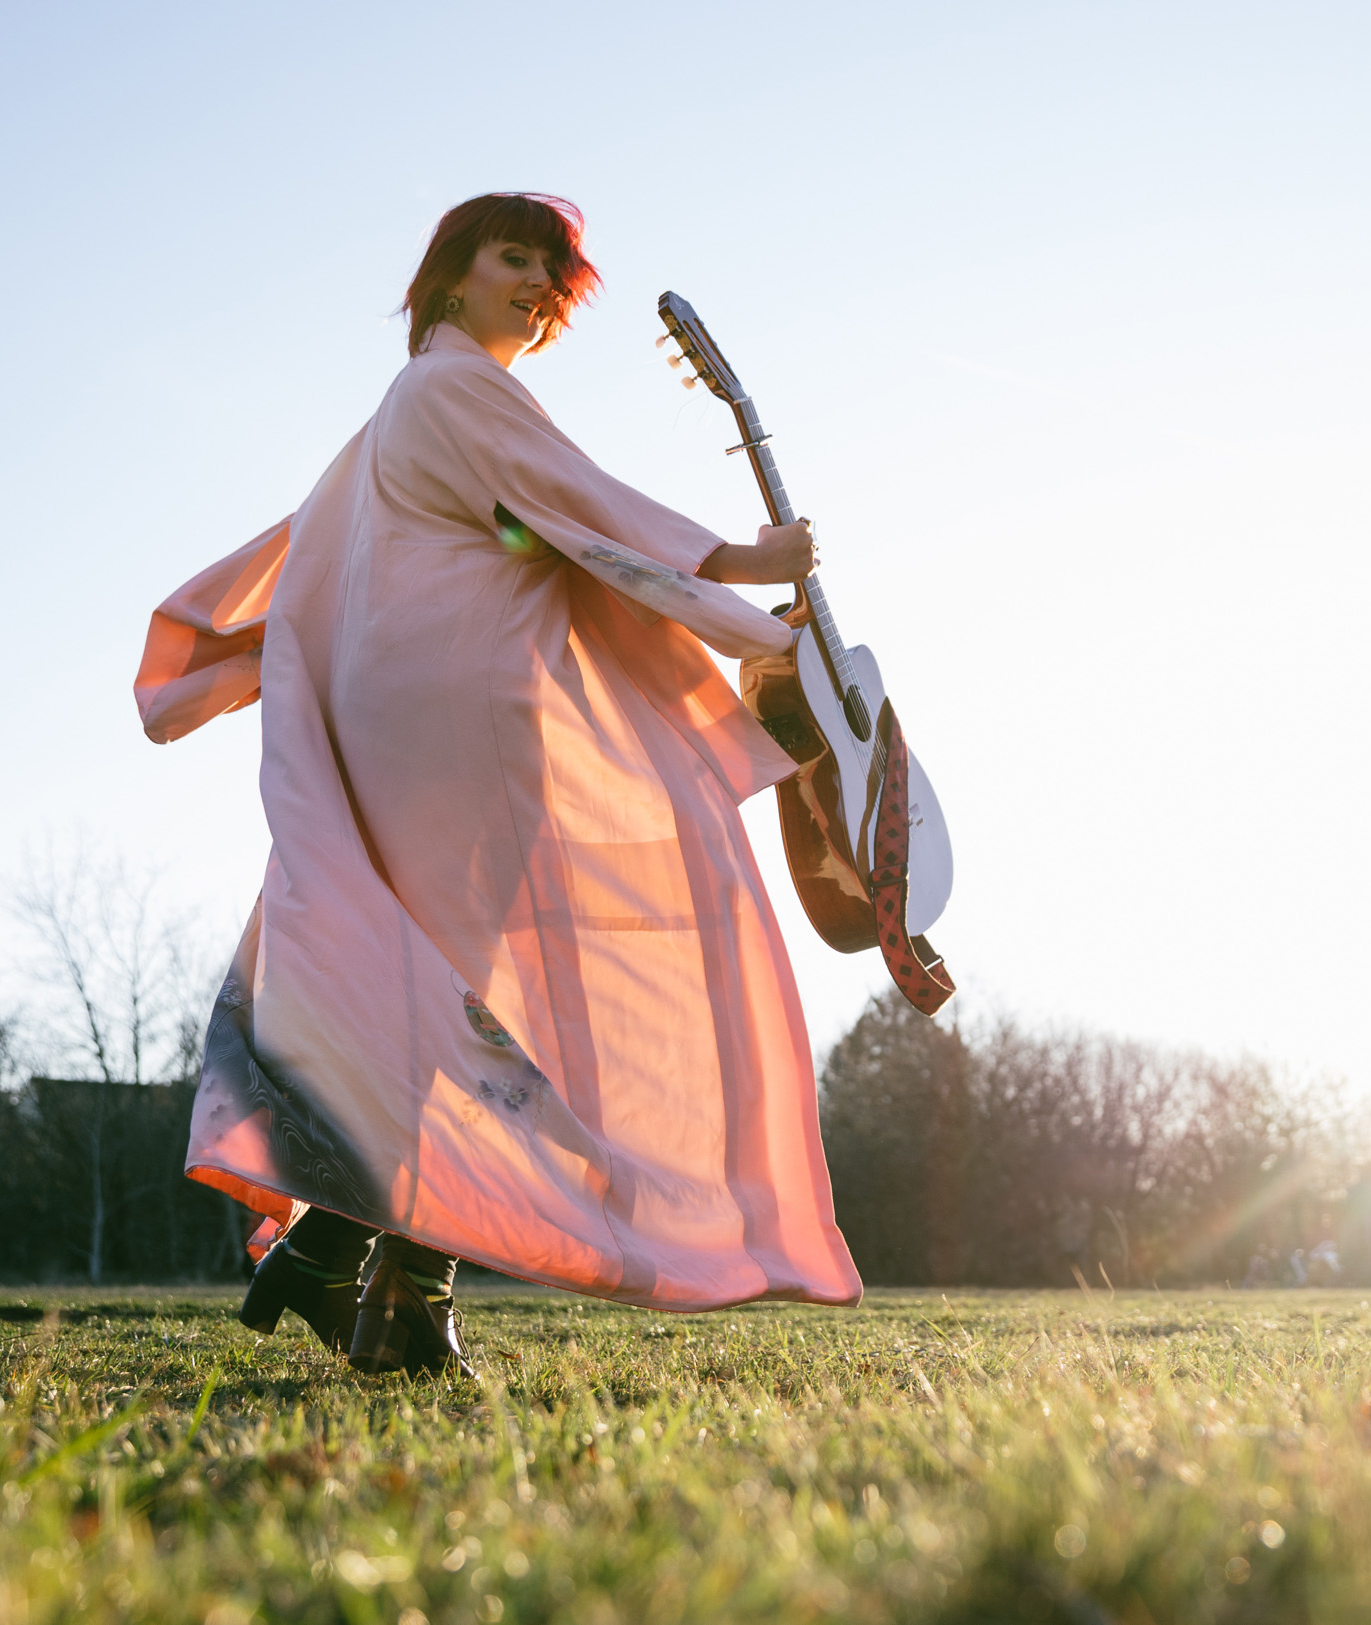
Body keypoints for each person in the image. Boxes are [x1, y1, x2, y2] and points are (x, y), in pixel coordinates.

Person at [133, 194, 864, 1376]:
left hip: (415, 720)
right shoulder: (454, 387)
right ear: (450, 276)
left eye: (550, 269)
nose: (534, 282)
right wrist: (736, 572)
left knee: (447, 995)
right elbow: (567, 514)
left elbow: (531, 530)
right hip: (462, 721)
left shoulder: (397, 412)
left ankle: (365, 1280)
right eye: (511, 256)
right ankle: (361, 1276)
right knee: (487, 998)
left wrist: (722, 609)